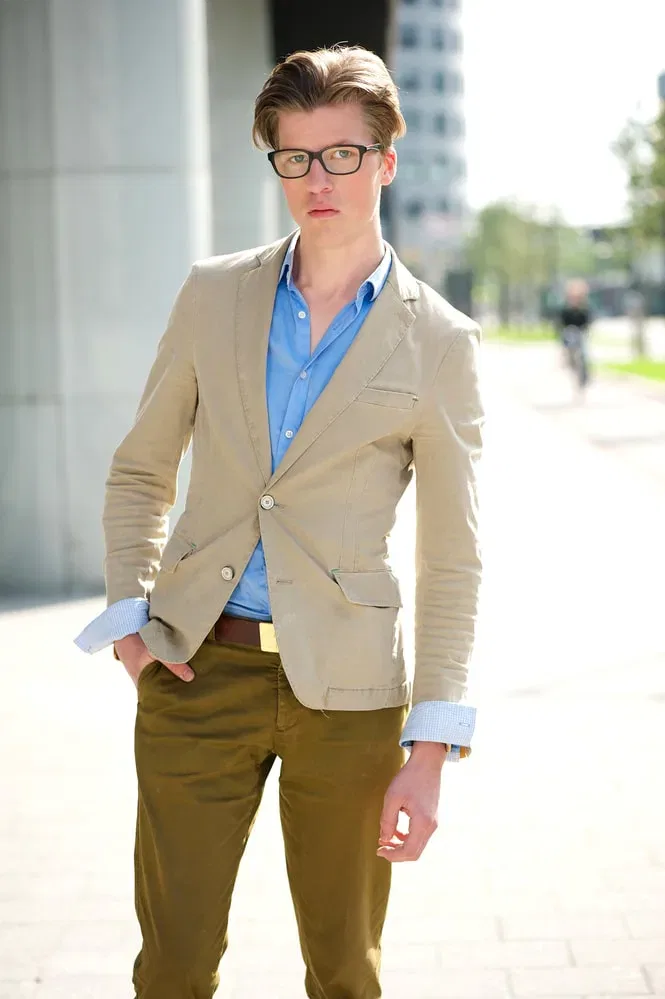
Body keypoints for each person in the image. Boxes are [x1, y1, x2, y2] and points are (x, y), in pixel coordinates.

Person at [74, 45, 484, 999]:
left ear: (385, 159)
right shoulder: (212, 293)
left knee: (345, 971)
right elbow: (140, 467)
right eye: (294, 157)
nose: (316, 179)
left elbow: (453, 556)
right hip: (192, 668)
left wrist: (429, 752)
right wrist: (130, 626)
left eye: (340, 153)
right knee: (170, 967)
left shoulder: (440, 342)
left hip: (350, 697)